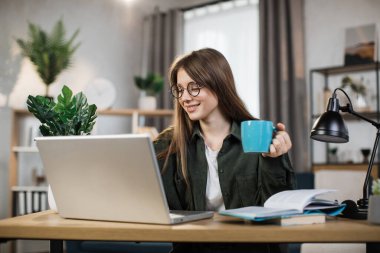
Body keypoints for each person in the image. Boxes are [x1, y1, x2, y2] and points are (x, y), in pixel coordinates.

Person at [153, 48, 296, 253]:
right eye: (180, 89)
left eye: (194, 87)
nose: (185, 97)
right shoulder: (169, 143)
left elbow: (280, 211)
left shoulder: (260, 134)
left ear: (219, 85)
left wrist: (275, 159)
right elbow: (160, 209)